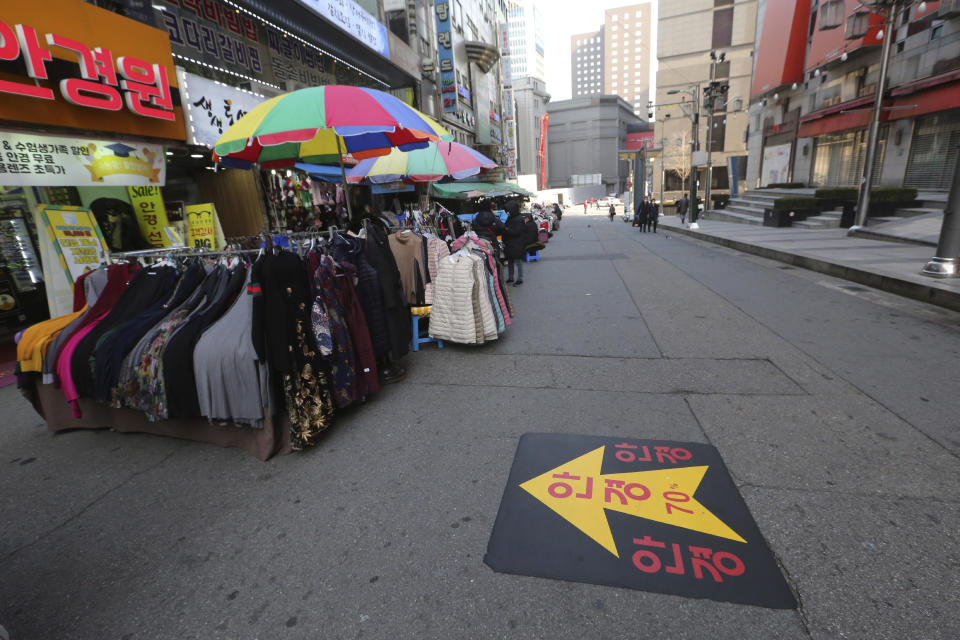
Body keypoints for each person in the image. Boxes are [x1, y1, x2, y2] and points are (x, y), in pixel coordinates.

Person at [502, 200, 526, 286]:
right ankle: (511, 277)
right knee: (510, 261)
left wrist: (506, 229)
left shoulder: (519, 219)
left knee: (518, 261)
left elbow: (517, 232)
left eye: (509, 209)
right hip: (510, 243)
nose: (508, 211)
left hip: (517, 243)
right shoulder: (511, 217)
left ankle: (520, 278)